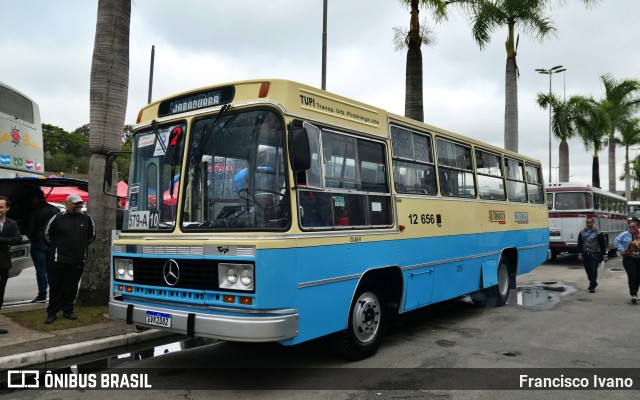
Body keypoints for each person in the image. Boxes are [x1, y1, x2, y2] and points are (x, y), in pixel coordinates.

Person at [43, 194, 95, 324]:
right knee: (56, 288)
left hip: (78, 260)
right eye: (75, 203)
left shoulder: (86, 218)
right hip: (58, 260)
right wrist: (58, 248)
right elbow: (47, 236)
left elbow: (92, 236)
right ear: (67, 203)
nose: (79, 205)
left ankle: (68, 310)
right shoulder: (58, 218)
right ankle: (52, 313)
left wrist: (80, 247)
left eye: (80, 203)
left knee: (71, 287)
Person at [25, 189, 59, 303]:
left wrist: (30, 237)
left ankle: (42, 295)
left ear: (35, 198)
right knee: (51, 270)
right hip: (52, 243)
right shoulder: (55, 209)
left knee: (40, 271)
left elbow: (30, 230)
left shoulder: (34, 211)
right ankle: (54, 293)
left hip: (38, 242)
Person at [0, 196, 24, 334]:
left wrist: (1, 239)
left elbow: (17, 239)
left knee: (0, 295)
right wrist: (5, 242)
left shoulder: (11, 224)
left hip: (3, 263)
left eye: (1, 207)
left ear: (7, 208)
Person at [576, 217, 608, 293]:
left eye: (590, 223)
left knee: (593, 269)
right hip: (585, 253)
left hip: (595, 253)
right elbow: (580, 244)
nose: (588, 224)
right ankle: (593, 282)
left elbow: (603, 244)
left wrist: (604, 255)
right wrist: (580, 254)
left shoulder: (598, 232)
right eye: (587, 223)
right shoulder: (582, 232)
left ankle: (592, 286)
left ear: (593, 223)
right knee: (588, 270)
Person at [614, 217, 640, 304]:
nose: (631, 229)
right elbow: (616, 241)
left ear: (637, 227)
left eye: (633, 227)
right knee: (632, 275)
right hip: (628, 258)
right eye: (630, 227)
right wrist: (622, 249)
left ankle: (635, 292)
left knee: (638, 277)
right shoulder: (625, 234)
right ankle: (633, 295)